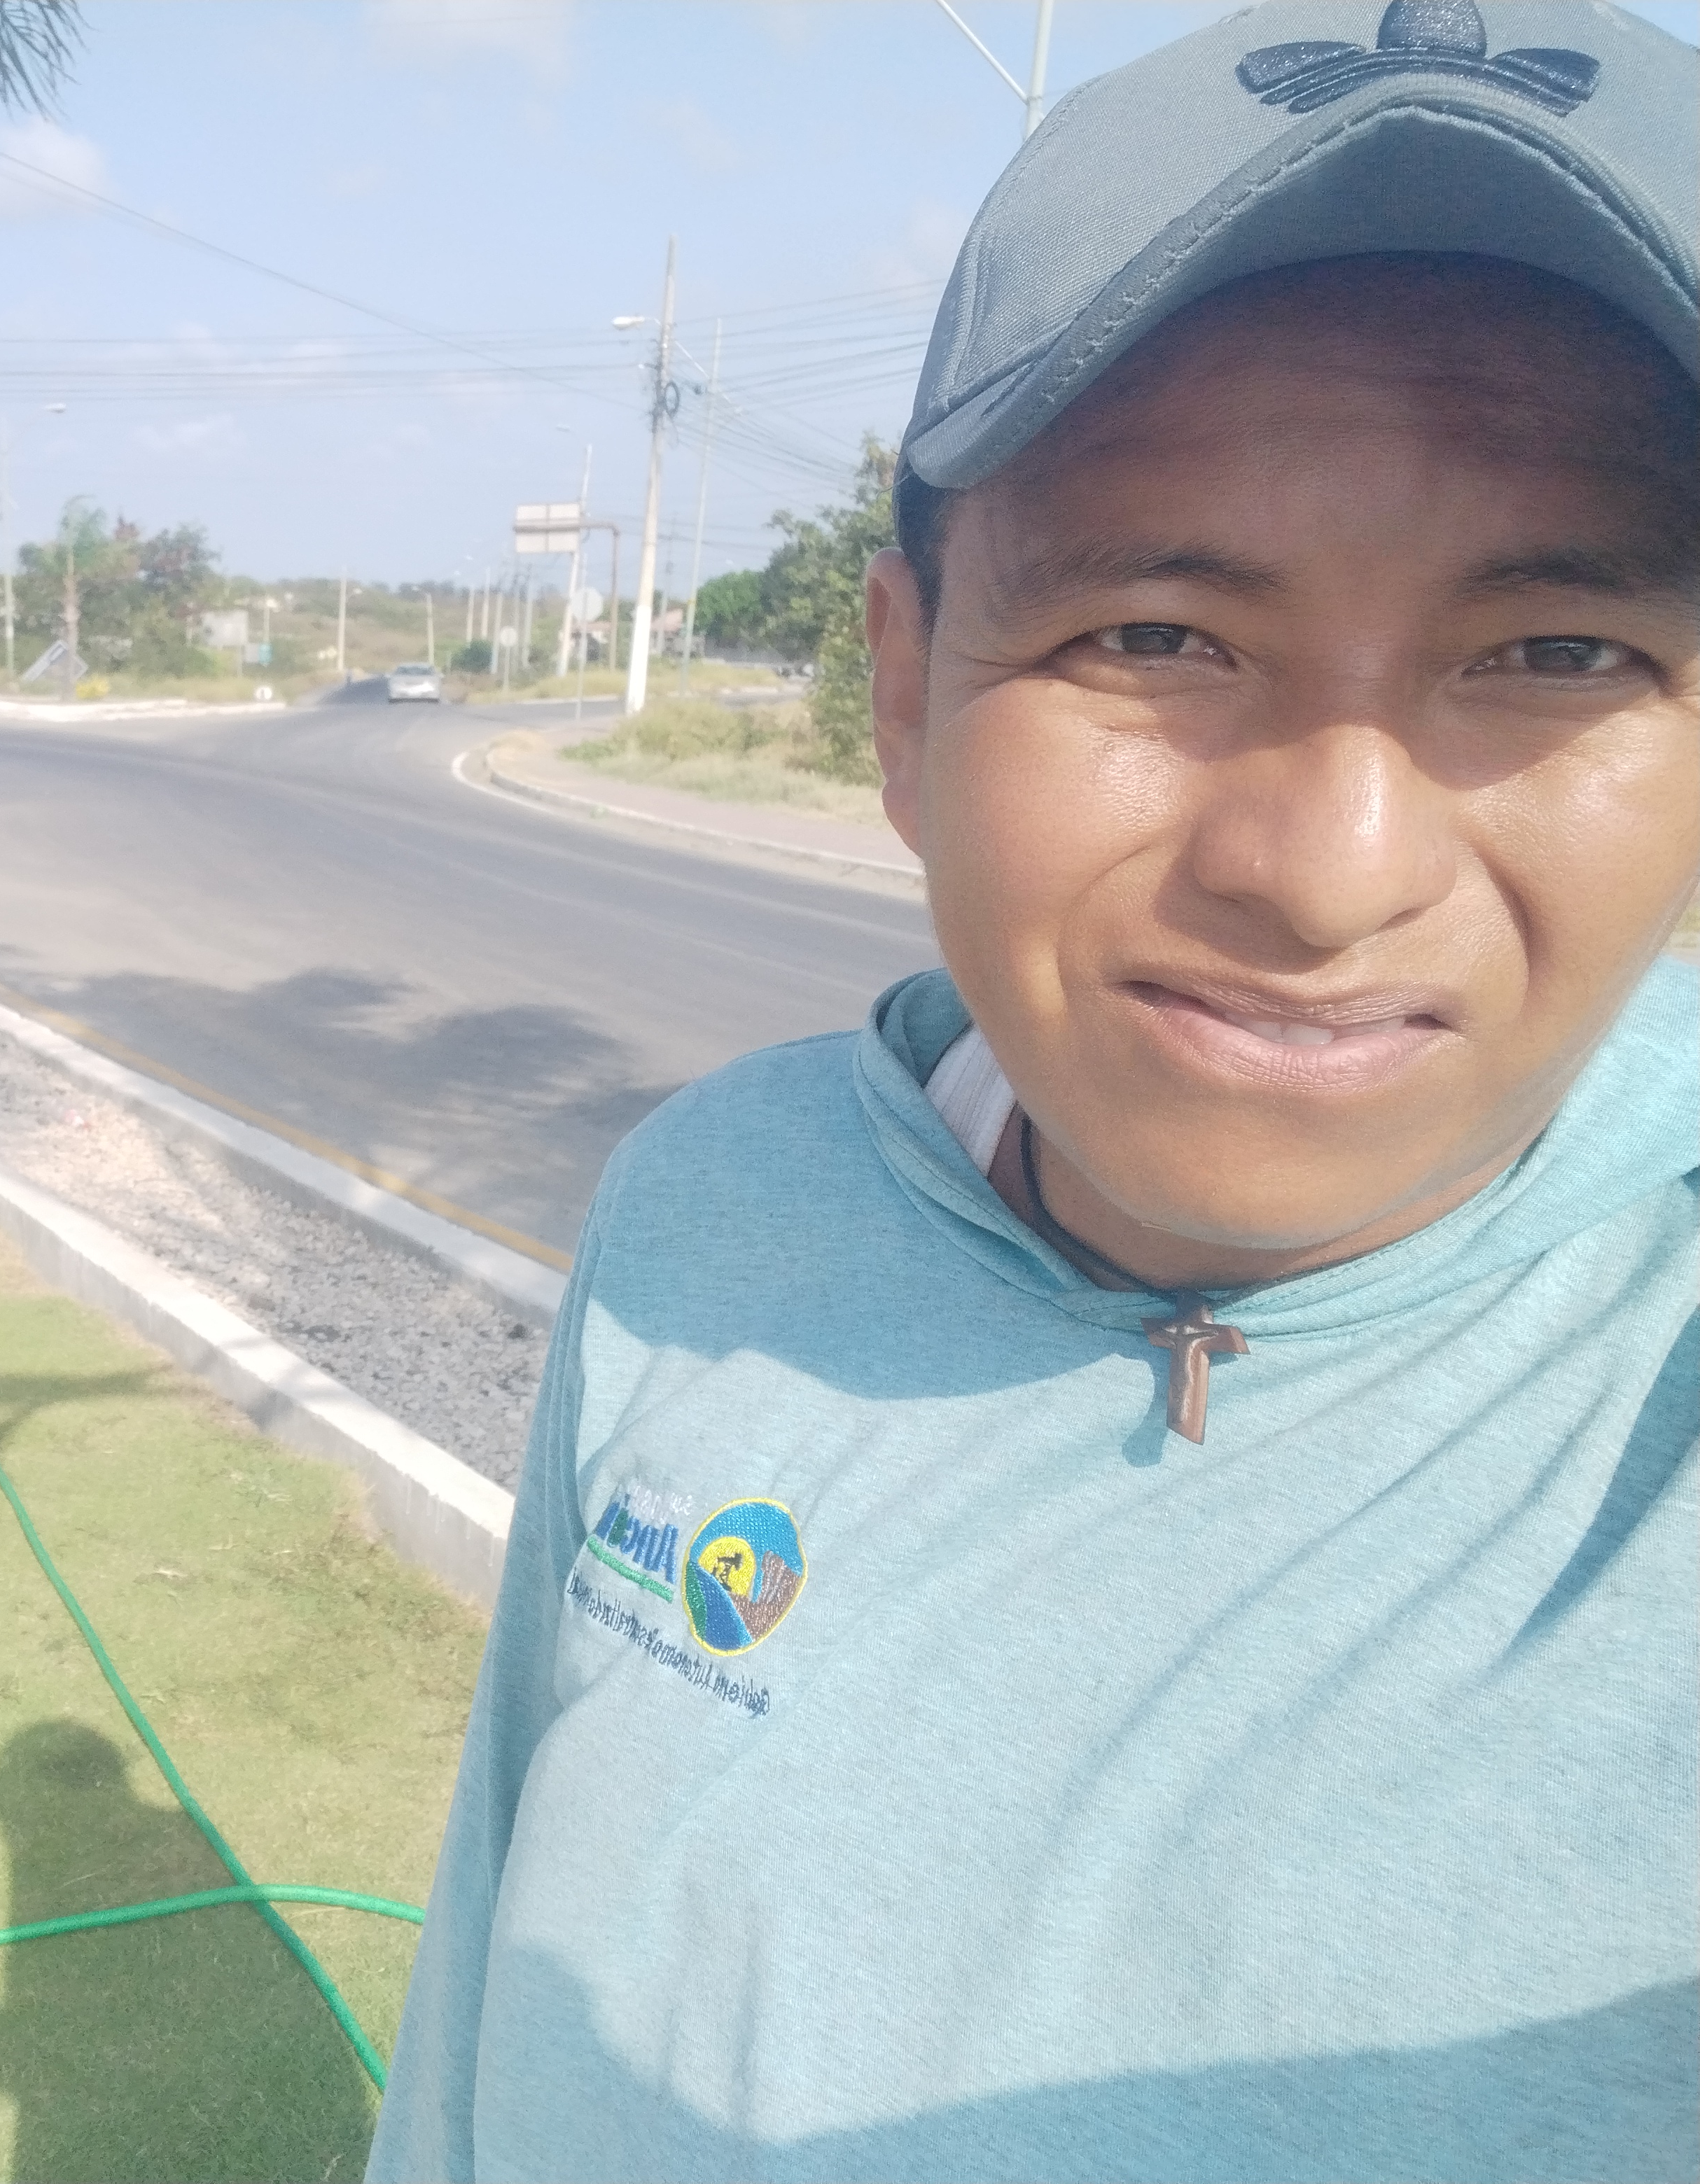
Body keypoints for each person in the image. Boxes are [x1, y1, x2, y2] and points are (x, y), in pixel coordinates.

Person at [367, 6, 1697, 2179]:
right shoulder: (720, 1205)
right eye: (1156, 638)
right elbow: (487, 1979)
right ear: (904, 699)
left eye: (1558, 654)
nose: (1328, 870)